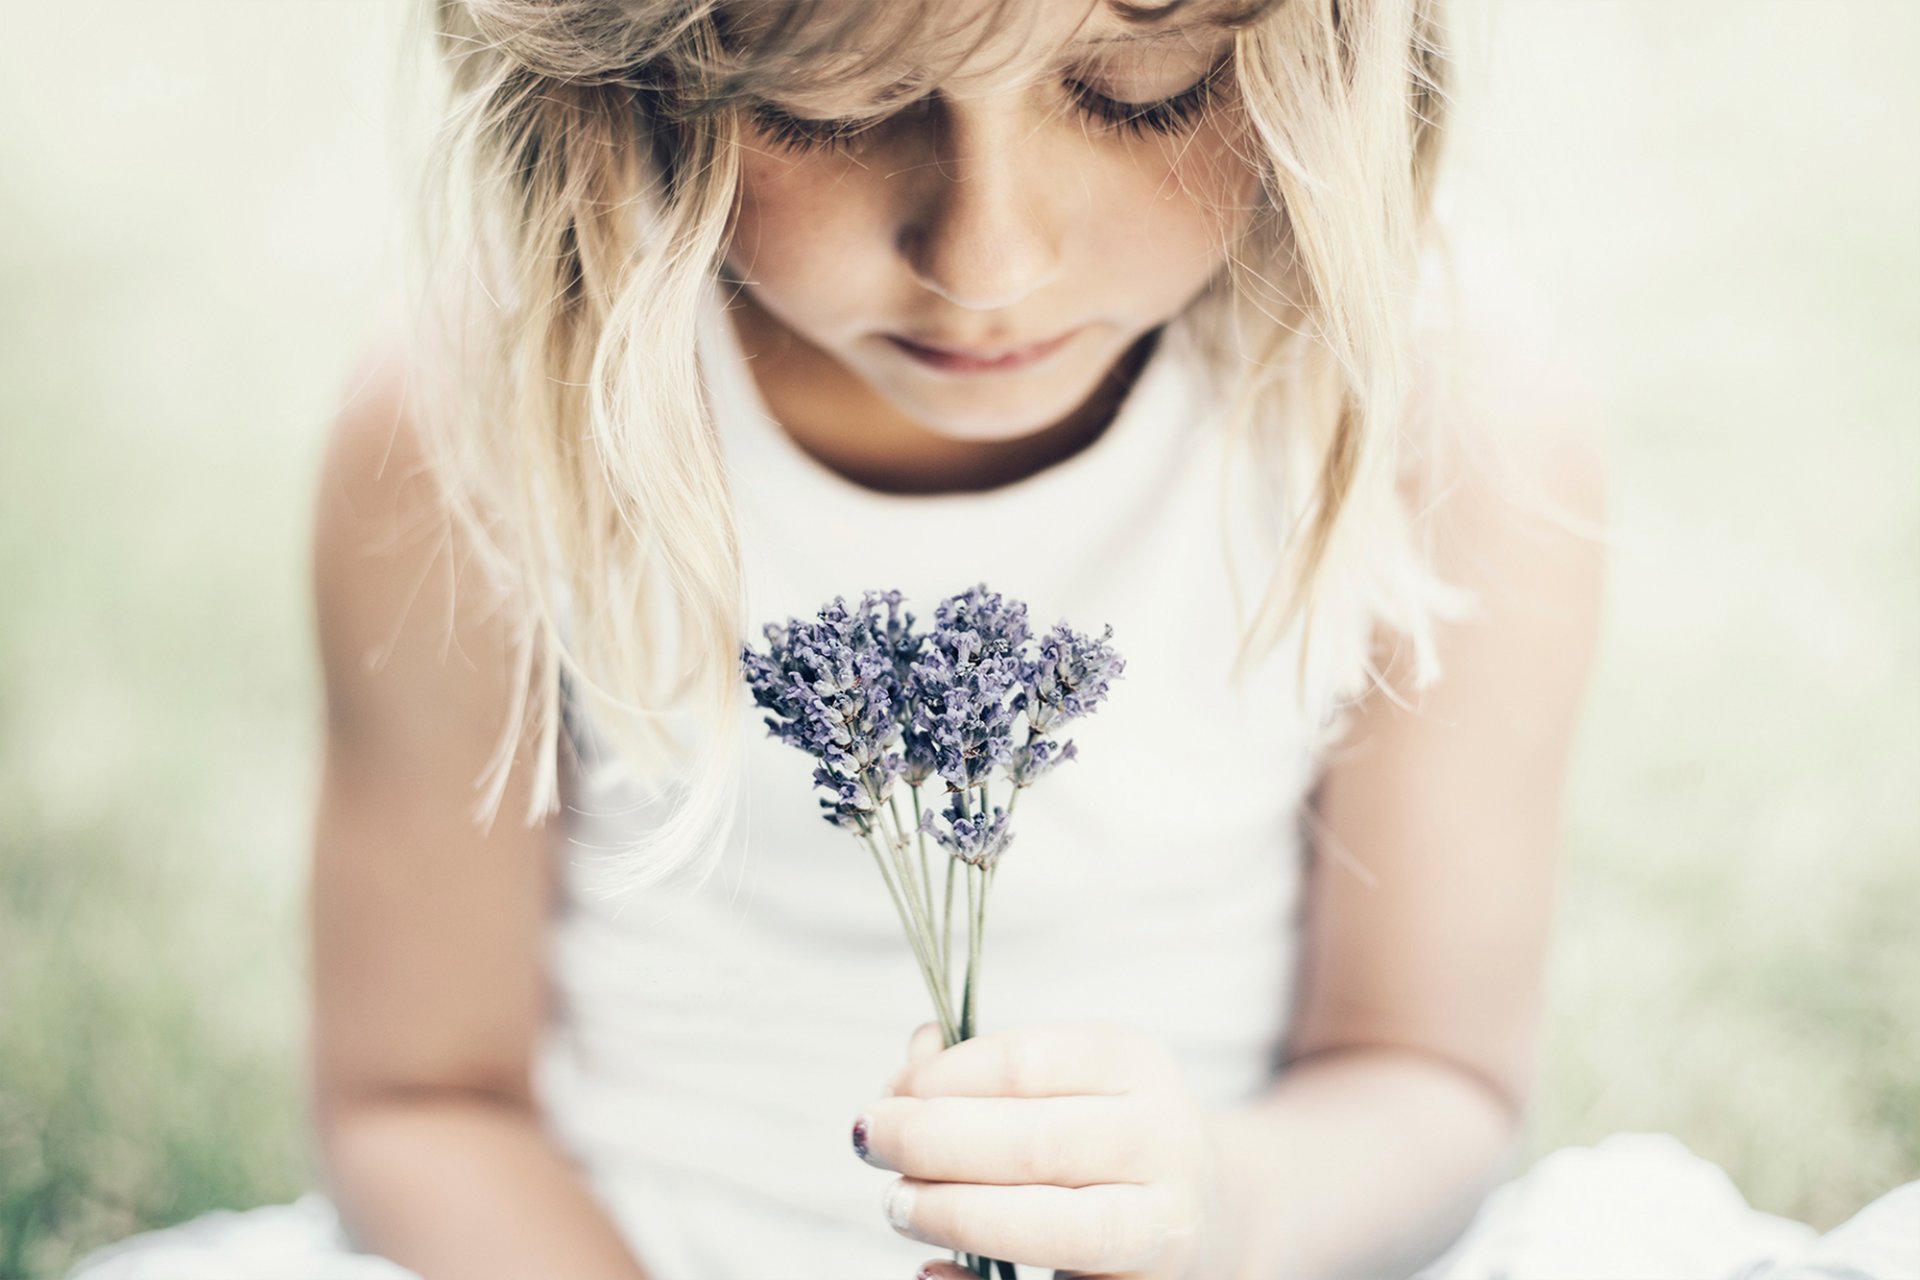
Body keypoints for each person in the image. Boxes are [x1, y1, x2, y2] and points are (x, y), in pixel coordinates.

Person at [66, 1, 1918, 1278]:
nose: (992, 256)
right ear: (641, 69)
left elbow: (1428, 1082)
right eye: (839, 102)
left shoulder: (1440, 419)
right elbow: (416, 1096)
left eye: (1137, 88)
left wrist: (1217, 1211)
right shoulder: (477, 423)